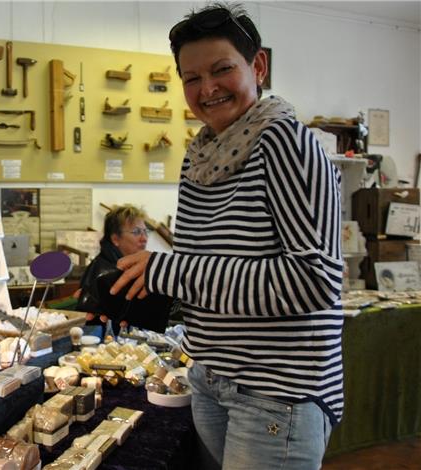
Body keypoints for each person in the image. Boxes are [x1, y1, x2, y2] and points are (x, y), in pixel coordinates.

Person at [110, 3, 343, 469]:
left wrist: (170, 270)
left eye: (221, 70)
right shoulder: (200, 156)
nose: (207, 89)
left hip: (276, 391)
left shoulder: (285, 143)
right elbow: (206, 275)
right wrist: (162, 286)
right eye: (191, 77)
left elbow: (315, 281)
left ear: (257, 67)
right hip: (210, 377)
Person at [76, 204, 176, 336]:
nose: (144, 238)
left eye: (145, 232)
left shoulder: (137, 268)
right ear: (115, 239)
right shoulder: (104, 273)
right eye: (136, 232)